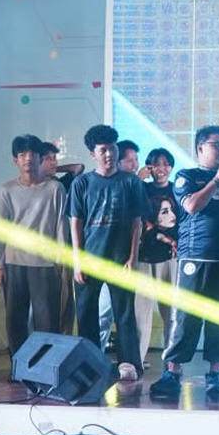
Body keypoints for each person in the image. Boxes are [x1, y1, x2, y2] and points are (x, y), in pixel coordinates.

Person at [150, 125, 219, 399]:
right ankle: (172, 372)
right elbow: (191, 206)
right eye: (216, 145)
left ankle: (214, 373)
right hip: (194, 259)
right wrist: (216, 181)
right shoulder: (186, 177)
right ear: (200, 147)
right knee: (185, 317)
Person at [68, 125, 145, 381]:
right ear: (93, 154)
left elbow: (137, 222)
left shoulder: (131, 182)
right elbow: (75, 223)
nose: (109, 154)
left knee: (125, 315)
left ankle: (129, 363)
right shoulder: (81, 183)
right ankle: (90, 365)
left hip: (121, 260)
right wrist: (77, 261)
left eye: (112, 149)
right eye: (103, 150)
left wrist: (132, 257)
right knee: (87, 315)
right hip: (89, 260)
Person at [0, 135, 65, 358]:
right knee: (15, 320)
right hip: (14, 263)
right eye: (22, 154)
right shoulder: (7, 190)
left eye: (32, 154)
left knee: (47, 321)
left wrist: (61, 260)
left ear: (39, 158)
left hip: (45, 263)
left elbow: (61, 225)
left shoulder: (55, 189)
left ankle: (45, 366)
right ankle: (18, 364)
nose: (28, 158)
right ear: (15, 160)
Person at [134, 148, 178, 369]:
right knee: (140, 314)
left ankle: (172, 361)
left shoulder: (178, 189)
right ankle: (137, 360)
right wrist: (137, 179)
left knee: (172, 314)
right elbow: (134, 216)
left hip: (171, 259)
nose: (161, 169)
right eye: (156, 164)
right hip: (144, 258)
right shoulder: (141, 188)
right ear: (149, 167)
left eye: (166, 164)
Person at [39, 141, 82, 334]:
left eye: (54, 158)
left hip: (64, 249)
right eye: (47, 159)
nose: (53, 162)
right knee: (40, 302)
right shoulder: (33, 186)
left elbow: (78, 168)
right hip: (40, 252)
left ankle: (63, 338)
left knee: (65, 299)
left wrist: (53, 168)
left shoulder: (60, 183)